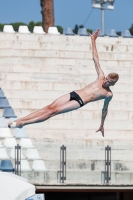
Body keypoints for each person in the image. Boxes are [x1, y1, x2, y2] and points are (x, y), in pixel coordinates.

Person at [8, 29, 119, 137]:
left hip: (79, 101)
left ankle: (24, 123)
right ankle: (20, 121)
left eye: (108, 82)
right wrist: (93, 41)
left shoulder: (108, 94)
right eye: (106, 79)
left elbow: (104, 110)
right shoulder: (101, 76)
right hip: (74, 93)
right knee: (49, 108)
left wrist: (102, 124)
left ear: (112, 84)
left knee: (53, 112)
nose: (105, 81)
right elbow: (95, 59)